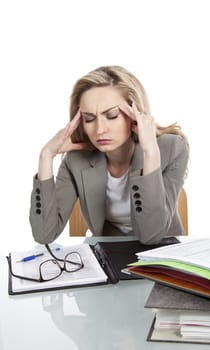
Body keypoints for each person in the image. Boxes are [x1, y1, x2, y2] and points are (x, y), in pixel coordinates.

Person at [30, 65, 189, 244]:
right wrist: (46, 156)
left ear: (134, 114)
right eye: (89, 119)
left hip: (163, 252)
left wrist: (150, 152)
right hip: (109, 251)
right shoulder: (76, 161)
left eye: (112, 115)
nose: (100, 129)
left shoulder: (172, 148)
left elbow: (151, 235)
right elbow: (44, 235)